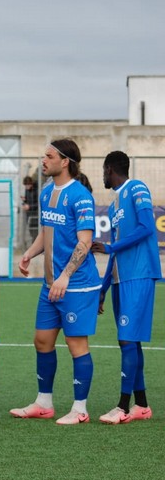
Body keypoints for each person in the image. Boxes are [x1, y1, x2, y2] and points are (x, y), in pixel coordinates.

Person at [11, 139, 100, 425]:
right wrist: (29, 254)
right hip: (51, 284)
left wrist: (65, 276)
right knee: (42, 341)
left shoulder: (81, 196)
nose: (43, 160)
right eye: (43, 155)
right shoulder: (47, 191)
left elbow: (85, 243)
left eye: (49, 156)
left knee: (77, 345)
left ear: (65, 162)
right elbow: (45, 234)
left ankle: (80, 408)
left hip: (77, 285)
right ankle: (44, 402)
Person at [91, 150, 160, 424]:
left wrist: (110, 247)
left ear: (110, 169)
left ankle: (122, 406)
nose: (102, 176)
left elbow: (146, 227)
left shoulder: (137, 188)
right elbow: (115, 252)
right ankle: (141, 405)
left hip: (139, 274)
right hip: (121, 278)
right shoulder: (113, 206)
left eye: (103, 171)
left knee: (127, 339)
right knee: (130, 341)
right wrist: (103, 287)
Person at [22, 176, 39, 243]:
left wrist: (29, 206)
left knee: (35, 232)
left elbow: (39, 204)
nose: (26, 187)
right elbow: (27, 200)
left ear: (31, 184)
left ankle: (35, 246)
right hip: (29, 214)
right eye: (25, 185)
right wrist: (24, 200)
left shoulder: (37, 190)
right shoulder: (27, 190)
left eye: (28, 185)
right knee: (31, 231)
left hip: (35, 215)